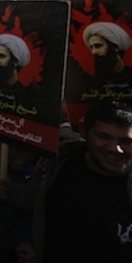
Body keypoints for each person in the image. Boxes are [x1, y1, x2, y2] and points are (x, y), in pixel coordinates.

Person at [35, 99, 132, 262]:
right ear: (83, 130)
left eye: (126, 141)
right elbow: (31, 203)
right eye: (103, 137)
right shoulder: (58, 161)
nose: (116, 148)